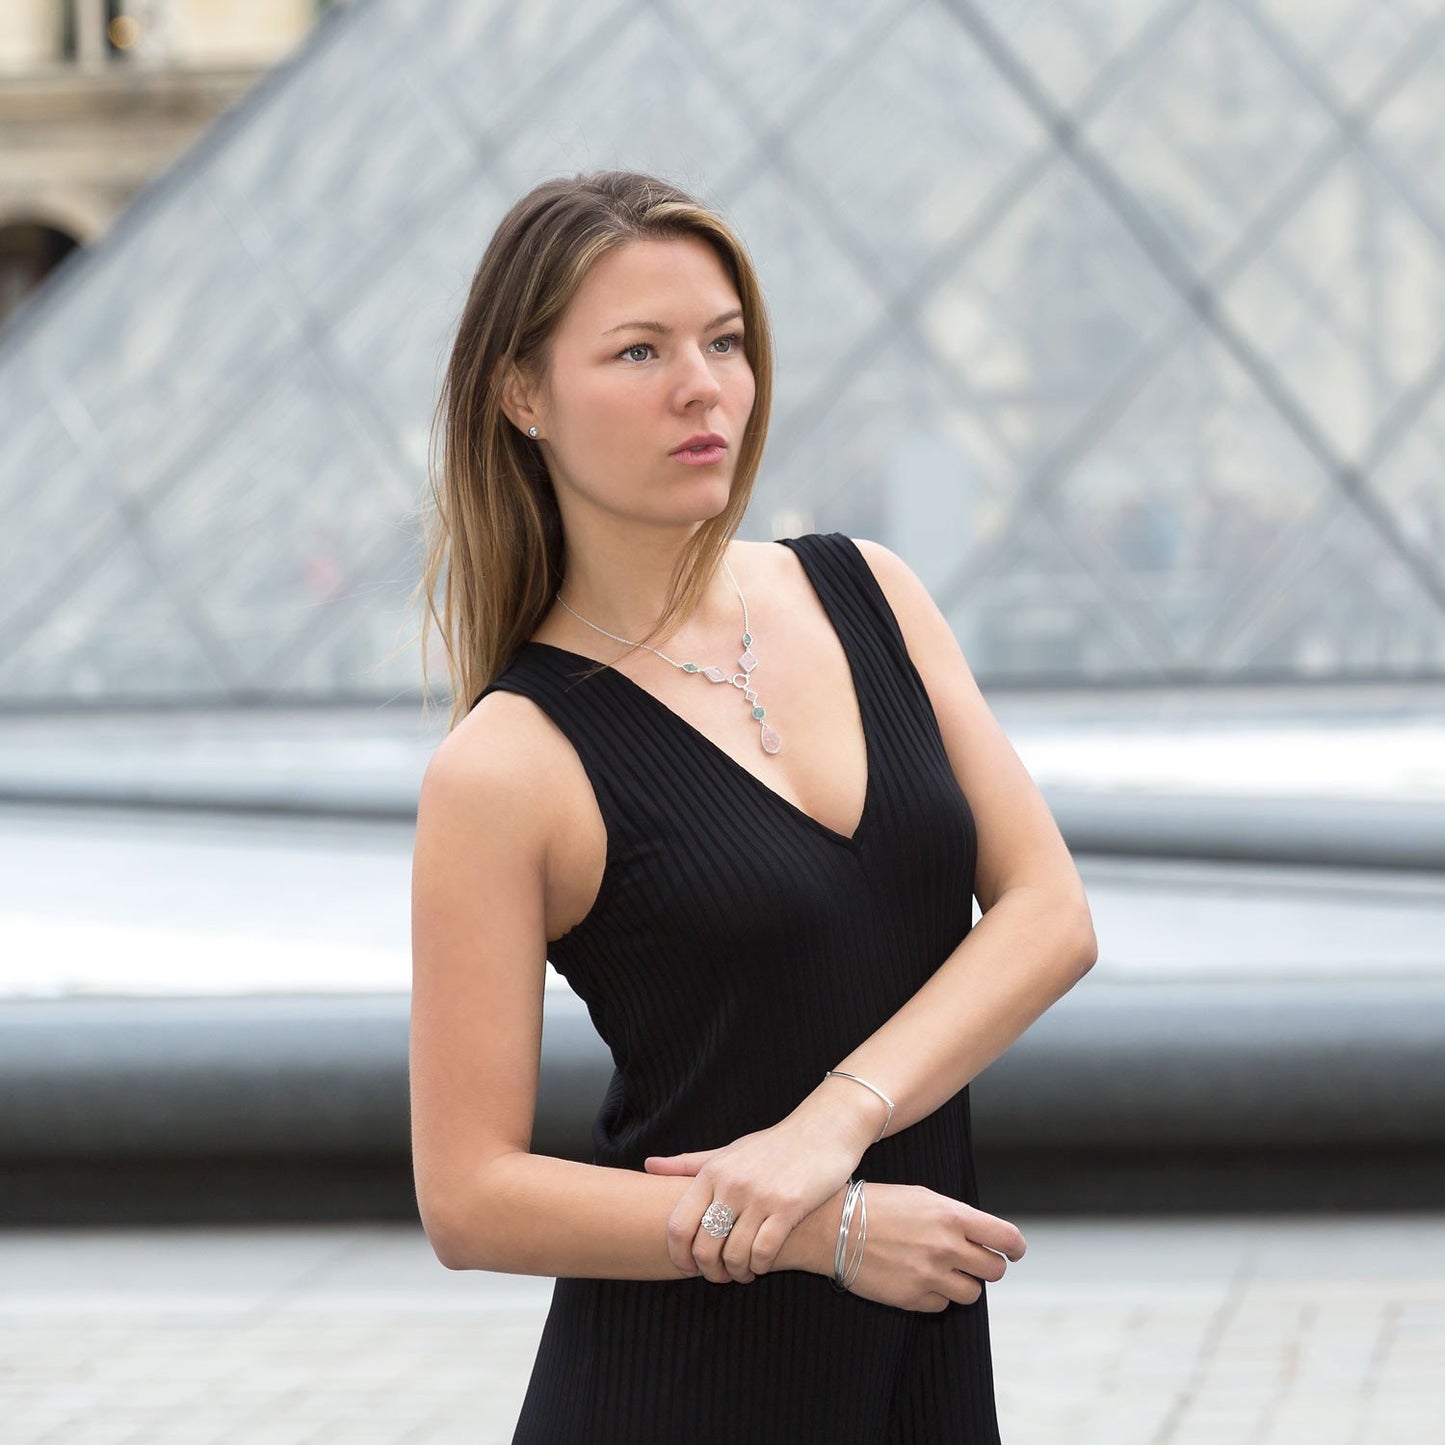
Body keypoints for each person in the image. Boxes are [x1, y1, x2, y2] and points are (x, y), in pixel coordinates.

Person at [408, 170, 1098, 1444]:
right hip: (673, 1389)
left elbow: (1049, 912)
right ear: (521, 396)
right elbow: (468, 1196)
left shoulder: (869, 593)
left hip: (917, 1364)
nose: (703, 387)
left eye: (723, 341)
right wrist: (818, 1228)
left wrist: (832, 1123)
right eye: (639, 350)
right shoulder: (505, 765)